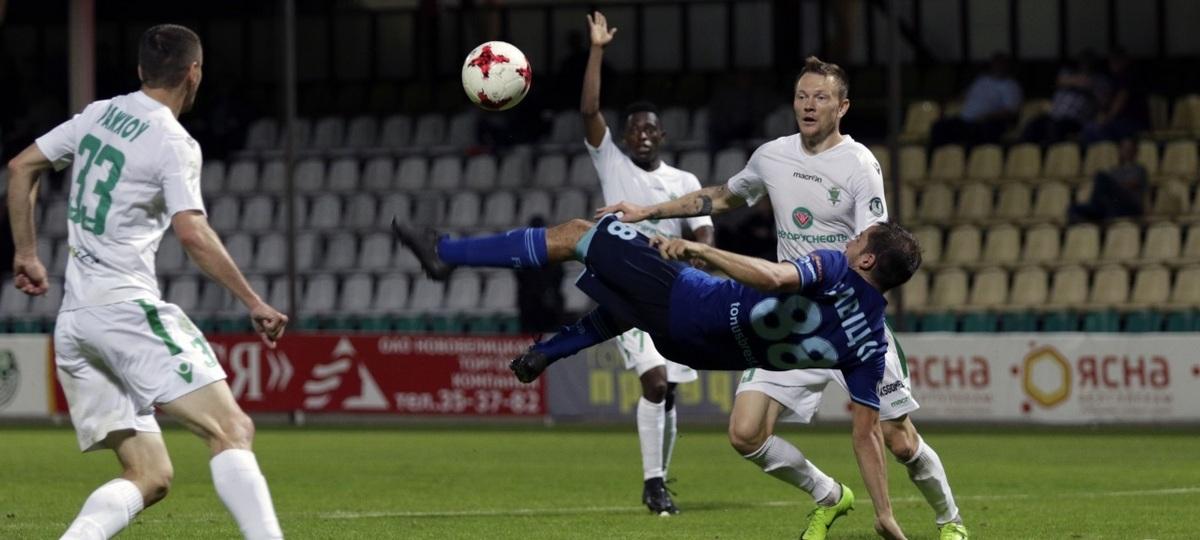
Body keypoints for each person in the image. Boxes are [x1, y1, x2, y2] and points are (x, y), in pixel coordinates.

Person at [599, 57, 969, 540]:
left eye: (821, 97)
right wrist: (648, 210)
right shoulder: (772, 155)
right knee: (745, 433)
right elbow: (724, 196)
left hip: (849, 321)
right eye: (801, 96)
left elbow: (873, 246)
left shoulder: (859, 164)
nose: (808, 105)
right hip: (791, 322)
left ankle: (950, 520)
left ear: (842, 107)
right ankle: (829, 495)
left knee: (899, 440)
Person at [393, 214, 918, 540]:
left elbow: (776, 276)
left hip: (693, 298)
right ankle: (552, 350)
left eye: (859, 238)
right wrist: (884, 513)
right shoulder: (871, 343)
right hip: (697, 346)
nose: (850, 239)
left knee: (579, 233)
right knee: (633, 301)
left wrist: (702, 250)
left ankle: (444, 254)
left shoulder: (834, 267)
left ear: (867, 258)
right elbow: (866, 435)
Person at [6, 24, 287, 540]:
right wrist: (253, 300)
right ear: (194, 72)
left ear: (141, 70)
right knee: (232, 429)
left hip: (76, 325)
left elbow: (21, 166)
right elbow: (192, 232)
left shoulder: (97, 115)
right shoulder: (173, 140)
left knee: (149, 475)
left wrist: (26, 253)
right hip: (124, 313)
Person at [578, 11, 716, 515]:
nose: (641, 135)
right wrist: (597, 51)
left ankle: (660, 478)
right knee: (654, 380)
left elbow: (703, 230)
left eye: (649, 129)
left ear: (662, 135)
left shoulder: (684, 182)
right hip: (626, 291)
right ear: (625, 137)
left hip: (673, 292)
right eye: (634, 128)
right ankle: (653, 483)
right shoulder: (610, 162)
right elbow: (589, 109)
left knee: (669, 392)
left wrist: (697, 257)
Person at [929, 53, 1022, 148]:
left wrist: (987, 116)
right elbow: (964, 96)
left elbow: (1010, 111)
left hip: (987, 122)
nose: (998, 66)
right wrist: (947, 102)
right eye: (996, 63)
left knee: (981, 132)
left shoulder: (1011, 86)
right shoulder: (981, 80)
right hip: (965, 120)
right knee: (939, 127)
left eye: (1001, 64)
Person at [1069, 138, 1148, 223]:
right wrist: (1111, 187)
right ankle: (1094, 213)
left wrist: (1112, 186)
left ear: (1135, 151)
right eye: (1124, 148)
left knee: (1101, 176)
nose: (1127, 151)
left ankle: (1096, 209)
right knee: (1073, 208)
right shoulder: (1114, 170)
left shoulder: (1140, 169)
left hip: (1131, 207)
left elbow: (1132, 184)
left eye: (1129, 148)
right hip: (1113, 206)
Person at [516, 216, 565, 332]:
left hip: (540, 301)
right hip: (535, 301)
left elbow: (559, 274)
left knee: (535, 333)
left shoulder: (525, 251)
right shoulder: (552, 249)